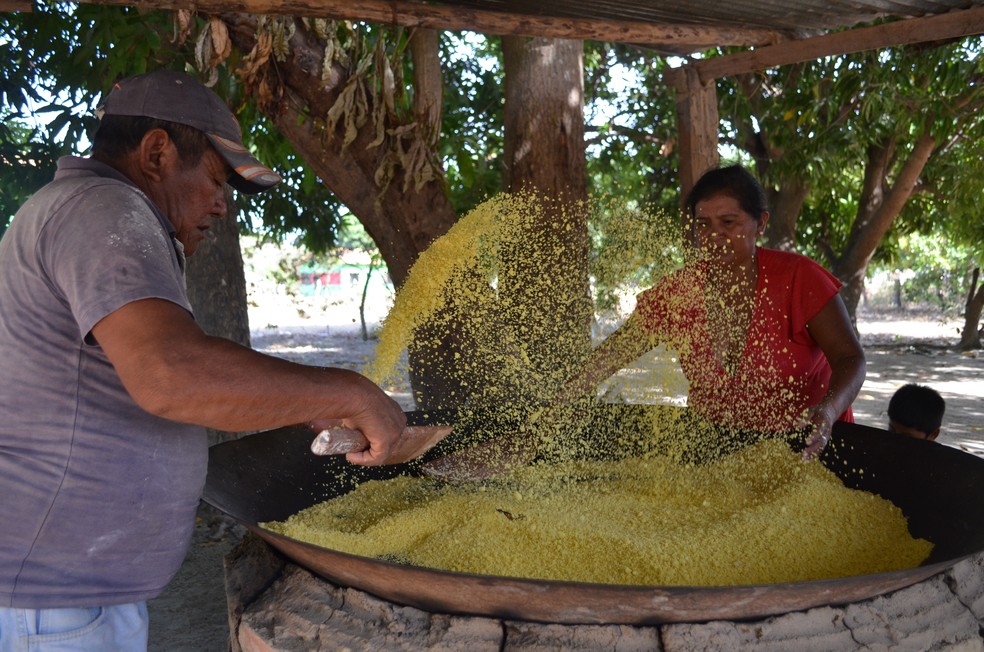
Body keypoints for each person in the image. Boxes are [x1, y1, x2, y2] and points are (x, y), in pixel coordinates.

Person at [0, 70, 407, 650]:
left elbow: (174, 375)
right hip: (51, 600)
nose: (221, 206)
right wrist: (349, 392)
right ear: (157, 152)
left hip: (64, 589)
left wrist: (300, 401)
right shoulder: (104, 209)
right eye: (215, 180)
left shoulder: (84, 210)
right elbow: (171, 375)